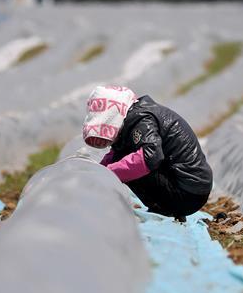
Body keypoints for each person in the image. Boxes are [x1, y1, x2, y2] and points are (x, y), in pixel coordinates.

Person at [82, 85, 213, 218]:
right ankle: (168, 209)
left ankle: (165, 210)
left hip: (188, 193)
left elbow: (150, 156)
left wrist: (108, 173)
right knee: (125, 159)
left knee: (131, 162)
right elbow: (116, 154)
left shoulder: (141, 119)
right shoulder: (136, 116)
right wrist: (98, 171)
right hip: (192, 189)